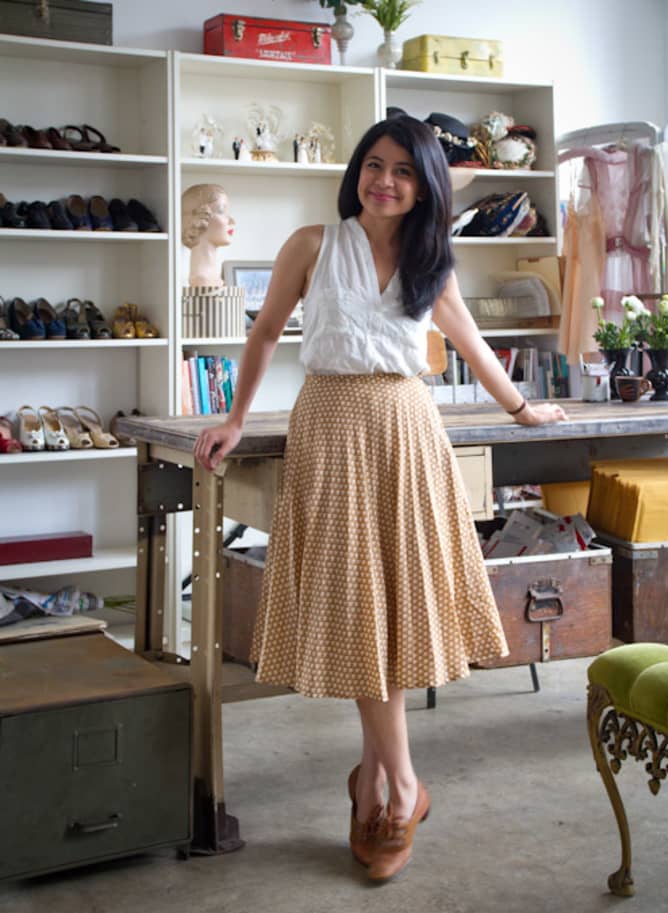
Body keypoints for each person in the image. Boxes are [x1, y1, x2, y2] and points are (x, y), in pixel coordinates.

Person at [193, 115, 567, 883]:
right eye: (373, 164)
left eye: (401, 169)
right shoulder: (311, 244)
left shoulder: (431, 258)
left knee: (390, 607)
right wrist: (234, 417)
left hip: (405, 430)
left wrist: (523, 410)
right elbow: (264, 332)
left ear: (424, 183)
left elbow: (468, 339)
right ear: (355, 172)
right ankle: (400, 784)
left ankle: (378, 783)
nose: (384, 180)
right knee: (361, 606)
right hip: (329, 427)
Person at [181, 184, 235, 287]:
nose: (232, 221)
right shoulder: (200, 279)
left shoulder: (216, 278)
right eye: (221, 211)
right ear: (198, 217)